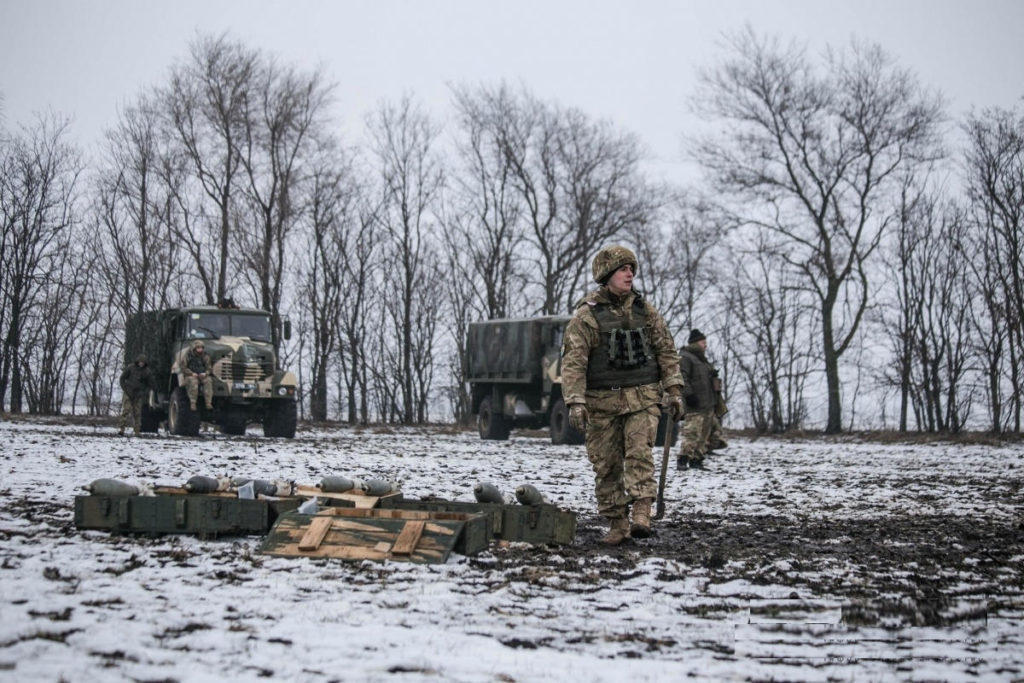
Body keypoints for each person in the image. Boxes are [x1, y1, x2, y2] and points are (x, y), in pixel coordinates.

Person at [561, 246, 685, 546]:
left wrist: (674, 390)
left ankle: (643, 508)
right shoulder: (586, 316)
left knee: (639, 453)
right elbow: (574, 362)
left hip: (642, 398)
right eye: (622, 269)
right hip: (601, 404)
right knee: (607, 466)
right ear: (607, 276)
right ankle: (618, 523)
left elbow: (666, 351)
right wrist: (575, 401)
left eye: (631, 268)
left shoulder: (645, 311)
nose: (629, 273)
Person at [676, 329, 724, 469]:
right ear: (695, 343)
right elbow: (682, 377)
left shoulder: (701, 360)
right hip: (694, 404)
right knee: (692, 433)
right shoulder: (685, 357)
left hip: (707, 404)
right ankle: (683, 460)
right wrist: (689, 395)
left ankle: (697, 460)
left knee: (704, 435)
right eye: (703, 342)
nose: (706, 345)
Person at [118, 354, 154, 435]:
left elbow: (150, 384)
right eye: (140, 362)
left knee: (137, 413)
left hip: (138, 395)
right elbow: (122, 378)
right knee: (126, 410)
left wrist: (143, 393)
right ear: (137, 361)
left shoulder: (147, 372)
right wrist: (125, 389)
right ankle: (121, 429)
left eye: (143, 362)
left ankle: (137, 431)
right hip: (128, 392)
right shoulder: (130, 368)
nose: (141, 364)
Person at [179, 340, 214, 411]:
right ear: (194, 348)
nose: (200, 349)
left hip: (202, 375)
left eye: (201, 347)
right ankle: (193, 403)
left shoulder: (205, 356)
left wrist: (205, 373)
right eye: (198, 347)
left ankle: (208, 403)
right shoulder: (188, 356)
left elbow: (209, 368)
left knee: (208, 381)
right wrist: (191, 373)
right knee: (193, 382)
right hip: (191, 375)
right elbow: (183, 367)